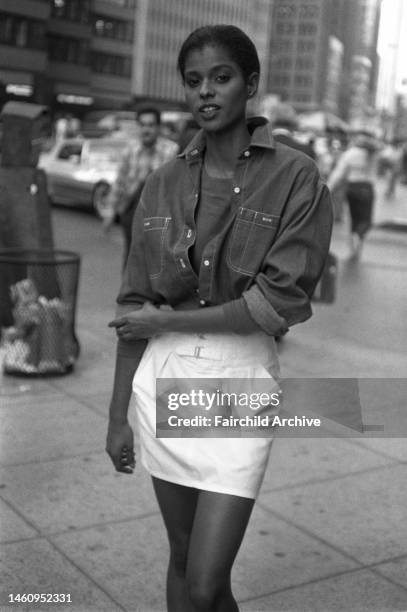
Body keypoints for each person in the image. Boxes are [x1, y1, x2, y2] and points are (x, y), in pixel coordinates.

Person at [106, 25, 333, 612]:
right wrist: (116, 418)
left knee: (206, 580)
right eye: (194, 81)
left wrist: (164, 323)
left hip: (241, 382)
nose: (205, 92)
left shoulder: (295, 177)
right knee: (183, 560)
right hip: (165, 379)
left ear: (250, 85)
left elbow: (274, 304)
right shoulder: (161, 184)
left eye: (221, 77)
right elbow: (134, 305)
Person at [105, 107, 178, 267]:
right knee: (131, 258)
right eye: (143, 125)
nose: (147, 130)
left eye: (151, 125)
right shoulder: (130, 150)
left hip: (158, 216)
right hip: (131, 212)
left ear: (158, 127)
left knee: (153, 262)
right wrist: (110, 210)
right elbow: (120, 181)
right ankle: (129, 290)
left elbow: (176, 189)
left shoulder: (170, 151)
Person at [327, 132, 377, 258]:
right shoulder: (373, 154)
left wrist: (328, 188)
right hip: (366, 187)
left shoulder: (350, 154)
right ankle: (358, 236)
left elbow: (338, 173)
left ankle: (354, 246)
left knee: (354, 218)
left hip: (352, 187)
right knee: (366, 220)